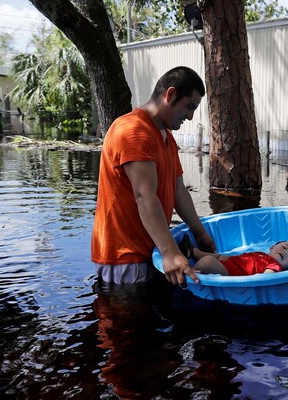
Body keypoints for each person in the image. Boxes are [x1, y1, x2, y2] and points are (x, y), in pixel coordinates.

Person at [91, 66, 216, 286]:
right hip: (126, 258)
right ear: (170, 94)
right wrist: (170, 253)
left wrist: (200, 232)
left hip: (151, 252)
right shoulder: (133, 131)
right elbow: (144, 196)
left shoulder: (165, 136)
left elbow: (179, 191)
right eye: (189, 106)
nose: (190, 116)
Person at [178, 235, 288, 276]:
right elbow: (242, 258)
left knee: (208, 261)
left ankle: (192, 272)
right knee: (218, 256)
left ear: (287, 268)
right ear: (272, 247)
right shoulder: (261, 254)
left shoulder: (275, 265)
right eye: (284, 247)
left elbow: (267, 277)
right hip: (230, 262)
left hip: (230, 273)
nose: (286, 252)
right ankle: (194, 252)